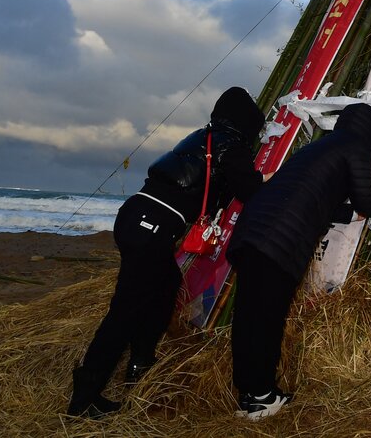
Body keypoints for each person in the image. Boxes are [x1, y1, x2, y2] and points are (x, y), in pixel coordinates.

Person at [67, 86, 267, 418]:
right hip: (150, 228)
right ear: (246, 122)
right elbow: (250, 191)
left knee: (164, 288)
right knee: (124, 311)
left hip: (136, 217)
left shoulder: (201, 137)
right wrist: (269, 180)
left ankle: (140, 366)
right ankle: (85, 395)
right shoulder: (231, 146)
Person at [226, 101, 371, 420]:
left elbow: (312, 198)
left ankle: (249, 395)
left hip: (253, 231)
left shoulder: (320, 147)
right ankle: (262, 397)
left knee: (248, 316)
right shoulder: (356, 145)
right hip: (280, 241)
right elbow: (365, 197)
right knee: (268, 319)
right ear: (370, 131)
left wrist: (351, 214)